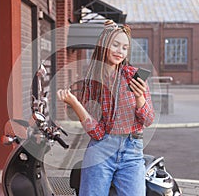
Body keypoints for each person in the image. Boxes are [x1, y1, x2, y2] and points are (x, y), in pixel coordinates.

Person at [57, 20, 155, 196]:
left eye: (124, 47)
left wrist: (140, 97)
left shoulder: (133, 76)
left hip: (132, 151)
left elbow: (148, 120)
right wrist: (76, 104)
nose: (120, 51)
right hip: (101, 150)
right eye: (115, 45)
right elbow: (97, 133)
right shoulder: (92, 83)